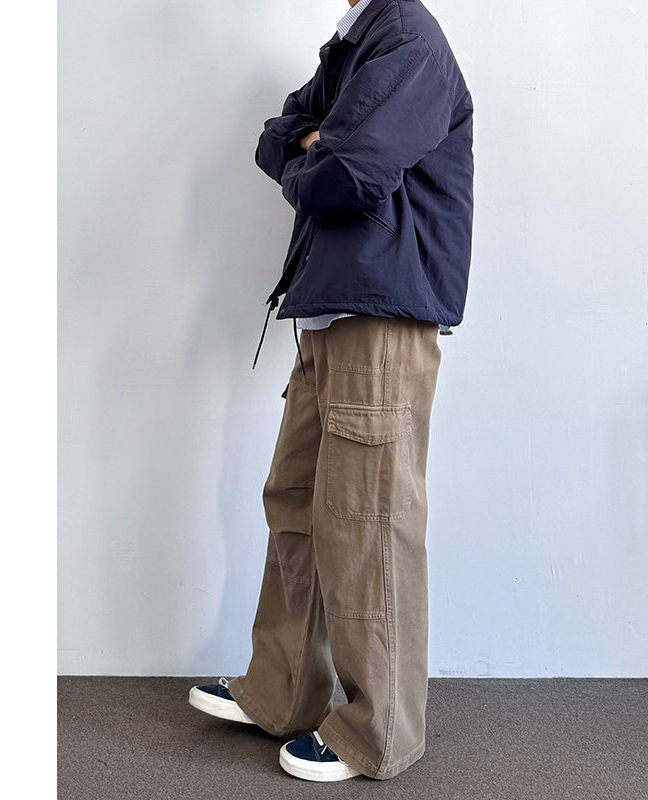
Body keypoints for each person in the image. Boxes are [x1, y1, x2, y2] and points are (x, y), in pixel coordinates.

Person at [189, 0, 473, 782]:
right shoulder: (353, 44)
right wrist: (312, 143)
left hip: (379, 316)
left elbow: (348, 176)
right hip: (332, 308)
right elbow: (277, 136)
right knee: (297, 501)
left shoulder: (407, 40)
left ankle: (378, 731)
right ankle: (283, 690)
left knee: (368, 522)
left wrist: (322, 146)